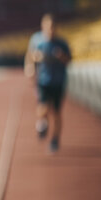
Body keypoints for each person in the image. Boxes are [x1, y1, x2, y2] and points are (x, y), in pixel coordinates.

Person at [24, 13, 71, 153]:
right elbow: (29, 56)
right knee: (42, 107)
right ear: (43, 26)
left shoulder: (62, 43)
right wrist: (30, 67)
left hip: (58, 81)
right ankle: (42, 123)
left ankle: (55, 139)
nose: (50, 30)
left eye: (53, 27)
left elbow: (69, 60)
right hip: (43, 80)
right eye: (48, 27)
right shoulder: (36, 40)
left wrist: (62, 56)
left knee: (56, 113)